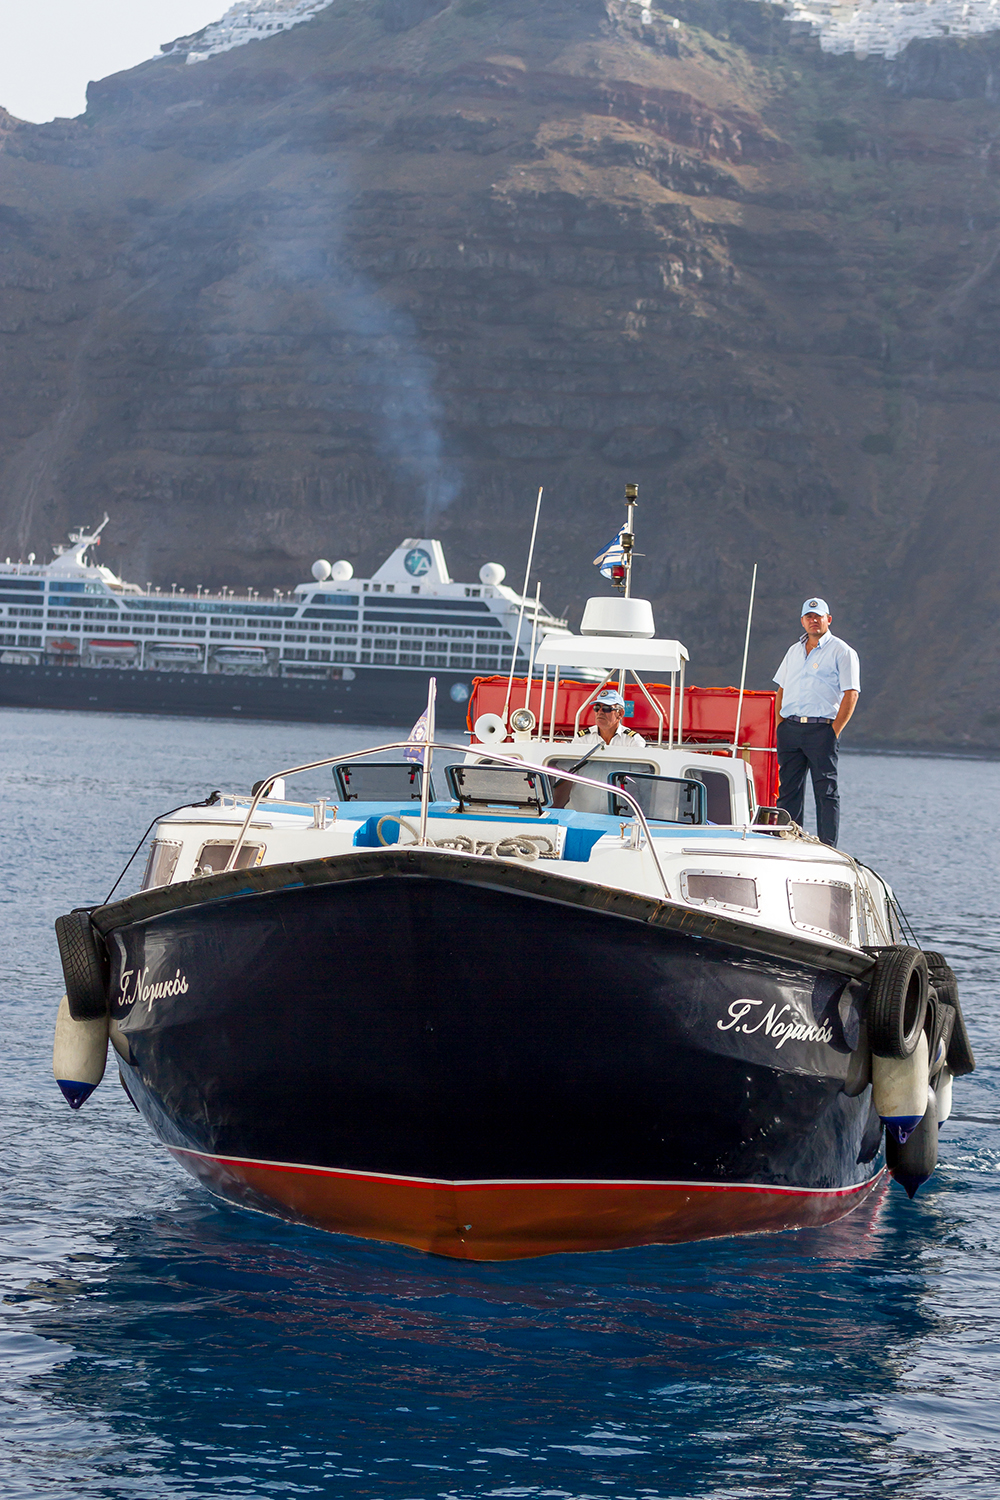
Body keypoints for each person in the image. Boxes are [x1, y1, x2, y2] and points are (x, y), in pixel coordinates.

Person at [772, 596, 860, 847]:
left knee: (825, 791)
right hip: (790, 728)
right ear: (802, 621)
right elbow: (781, 688)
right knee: (788, 789)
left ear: (828, 619)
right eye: (809, 617)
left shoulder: (842, 651)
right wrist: (780, 724)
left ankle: (828, 845)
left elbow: (851, 693)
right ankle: (787, 839)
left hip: (822, 729)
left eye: (818, 616)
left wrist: (833, 732)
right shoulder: (793, 651)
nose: (814, 621)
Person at [551, 688, 645, 808]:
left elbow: (640, 783)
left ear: (620, 714)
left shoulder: (633, 741)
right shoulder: (582, 739)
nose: (600, 712)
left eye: (606, 708)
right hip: (581, 814)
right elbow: (567, 776)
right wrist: (555, 809)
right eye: (597, 708)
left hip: (620, 815)